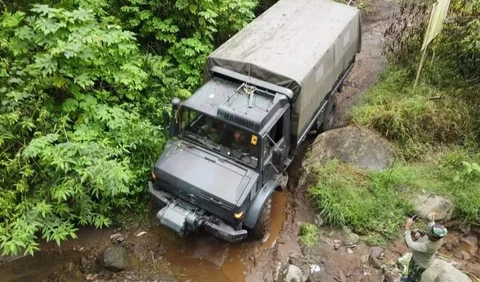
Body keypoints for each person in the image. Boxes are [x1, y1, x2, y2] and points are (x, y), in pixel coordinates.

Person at [403, 212, 448, 282]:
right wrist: (431, 219)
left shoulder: (428, 246)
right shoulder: (439, 237)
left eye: (430, 235)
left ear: (435, 238)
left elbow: (410, 244)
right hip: (421, 259)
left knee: (413, 277)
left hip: (420, 264)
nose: (428, 234)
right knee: (411, 274)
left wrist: (407, 229)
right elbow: (431, 227)